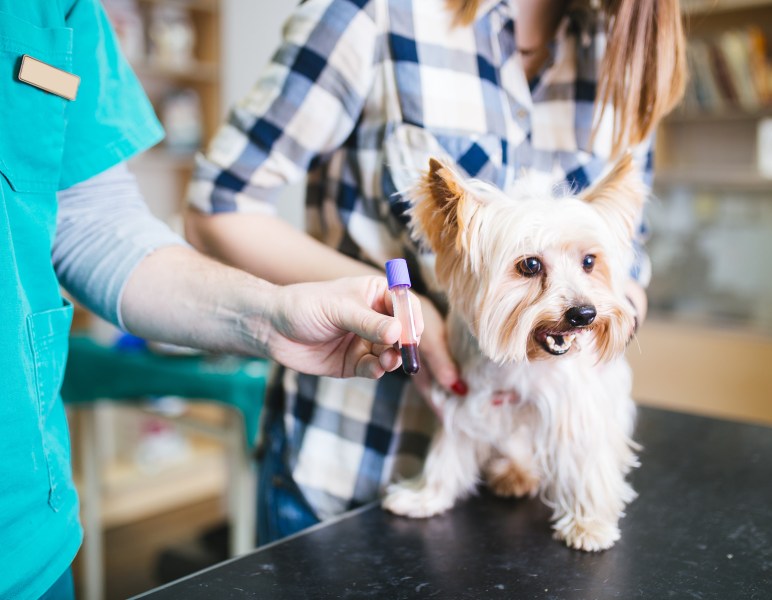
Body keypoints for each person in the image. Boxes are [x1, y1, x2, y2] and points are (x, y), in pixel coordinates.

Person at [184, 0, 687, 544]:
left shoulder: (627, 44)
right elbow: (216, 206)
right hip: (350, 468)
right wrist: (394, 304)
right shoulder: (369, 14)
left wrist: (612, 314)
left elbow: (627, 244)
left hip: (520, 506)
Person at [0, 2, 422, 599]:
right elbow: (221, 201)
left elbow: (93, 220)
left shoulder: (55, 9)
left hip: (22, 542)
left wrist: (272, 317)